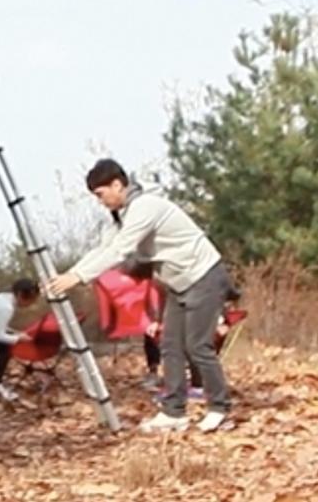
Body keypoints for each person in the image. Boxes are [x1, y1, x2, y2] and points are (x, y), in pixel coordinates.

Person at [46, 159, 236, 433]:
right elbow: (104, 248)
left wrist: (78, 278)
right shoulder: (123, 216)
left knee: (198, 346)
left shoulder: (145, 207)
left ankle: (219, 408)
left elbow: (120, 251)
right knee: (169, 346)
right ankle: (174, 412)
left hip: (204, 277)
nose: (101, 202)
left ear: (117, 184)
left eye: (101, 195)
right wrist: (71, 274)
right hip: (180, 284)